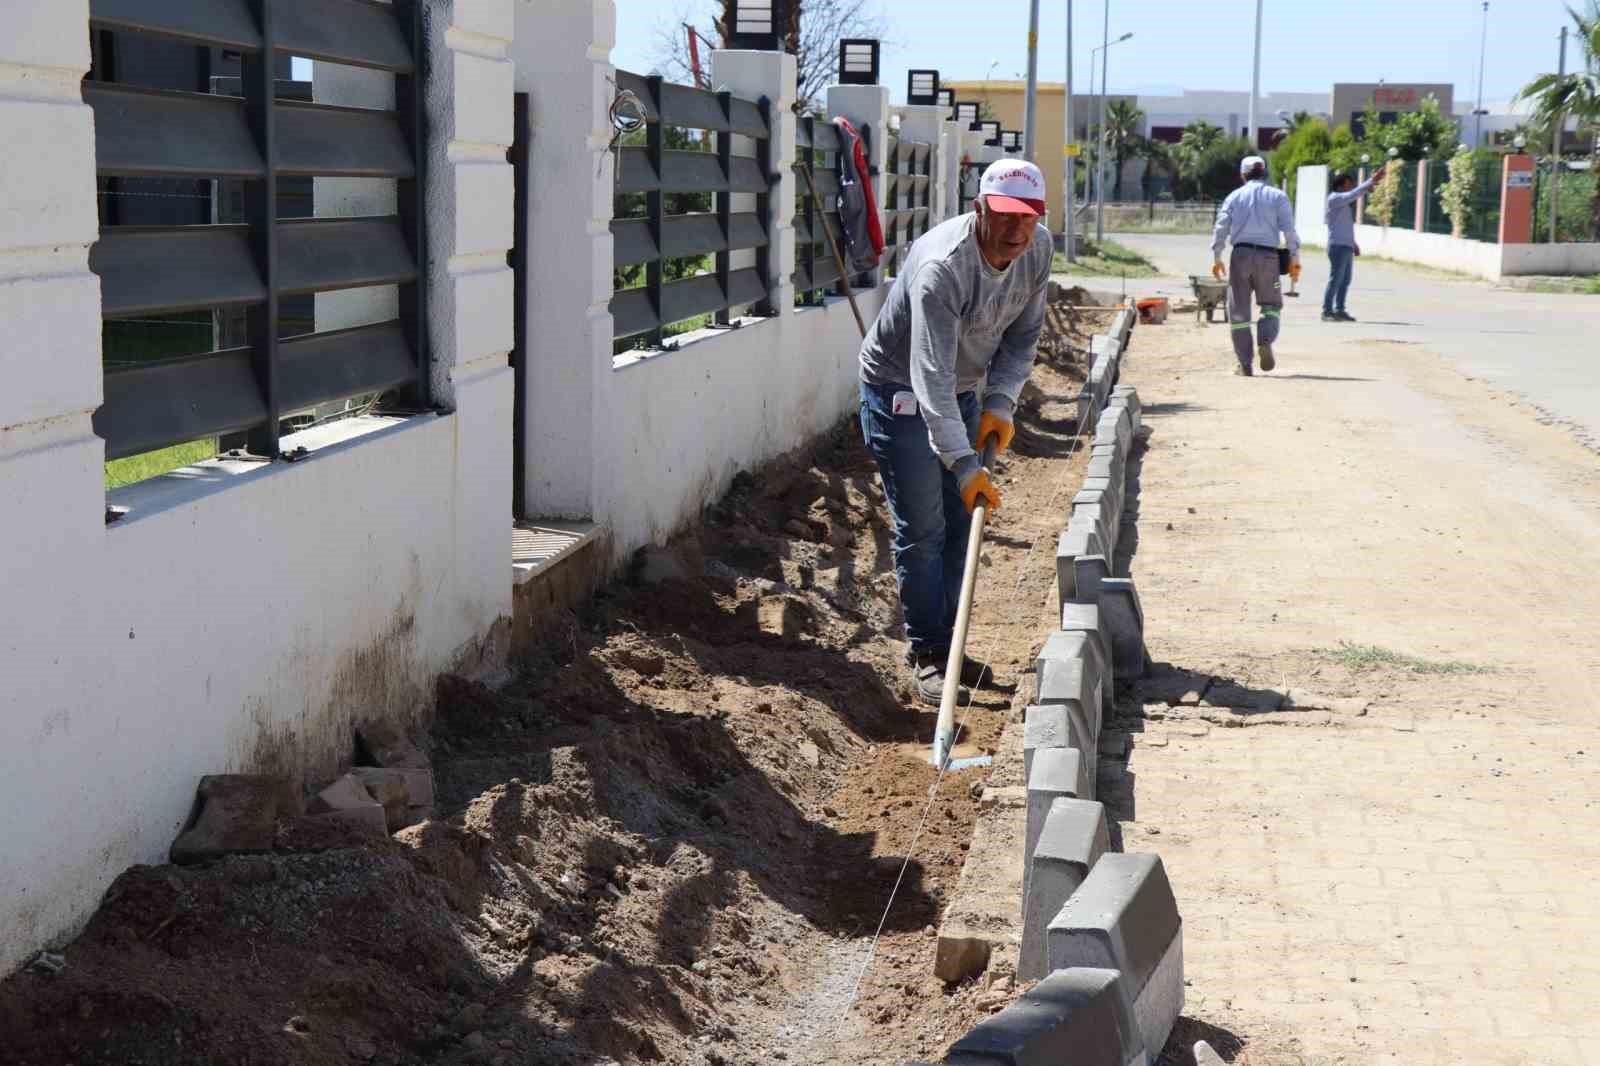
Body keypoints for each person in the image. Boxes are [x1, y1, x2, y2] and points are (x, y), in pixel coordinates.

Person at [858, 159, 1052, 705]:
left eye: (1029, 218)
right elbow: (929, 377)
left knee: (962, 520)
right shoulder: (942, 269)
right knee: (924, 527)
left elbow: (1023, 336)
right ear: (979, 209)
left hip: (963, 390)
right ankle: (926, 654)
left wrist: (1001, 401)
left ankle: (948, 647)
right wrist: (965, 463)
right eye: (1006, 216)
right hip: (902, 391)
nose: (1017, 231)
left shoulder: (1037, 249)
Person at [1210, 155, 1301, 376]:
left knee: (1239, 312)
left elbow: (1221, 227)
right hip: (1269, 259)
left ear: (1243, 174)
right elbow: (1289, 231)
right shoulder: (1278, 196)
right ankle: (1265, 339)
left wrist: (1217, 256)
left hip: (1240, 257)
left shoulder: (1234, 197)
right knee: (1272, 305)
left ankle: (1244, 363)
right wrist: (1295, 260)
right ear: (1265, 173)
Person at [1322, 166, 1385, 322]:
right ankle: (1327, 311)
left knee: (1345, 280)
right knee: (1336, 279)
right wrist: (1371, 180)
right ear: (1341, 185)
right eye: (1349, 183)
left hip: (1346, 245)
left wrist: (1353, 243)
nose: (1351, 186)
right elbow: (1353, 194)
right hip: (1337, 246)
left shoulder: (1344, 203)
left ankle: (1340, 310)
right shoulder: (1334, 198)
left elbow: (1343, 227)